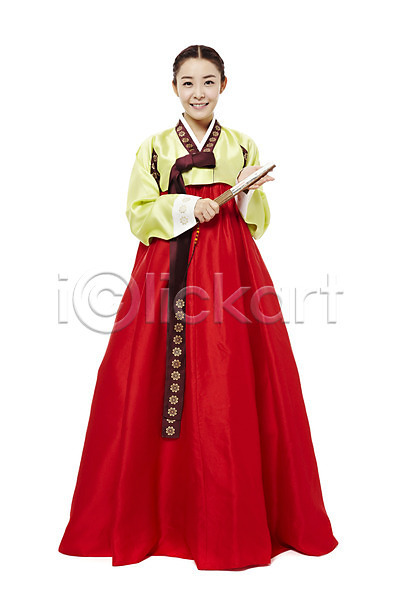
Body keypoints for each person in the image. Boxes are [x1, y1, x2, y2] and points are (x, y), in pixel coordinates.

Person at [58, 44, 339, 571]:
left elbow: (256, 222)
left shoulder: (242, 143)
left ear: (223, 86)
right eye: (188, 83)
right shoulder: (154, 147)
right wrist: (188, 205)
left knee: (230, 372)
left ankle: (231, 519)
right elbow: (138, 214)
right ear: (174, 88)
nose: (198, 93)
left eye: (208, 82)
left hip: (230, 269)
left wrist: (246, 192)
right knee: (145, 376)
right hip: (167, 270)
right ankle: (158, 516)